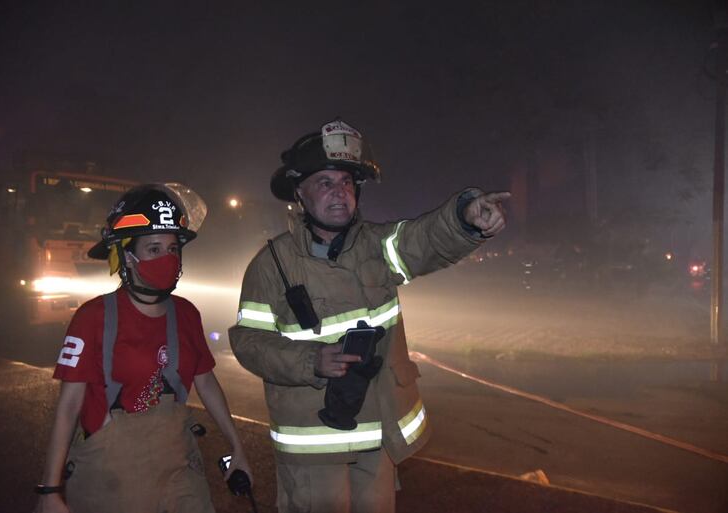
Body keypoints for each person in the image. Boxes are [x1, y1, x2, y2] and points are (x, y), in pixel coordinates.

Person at [229, 119, 509, 512]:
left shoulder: (378, 246)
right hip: (315, 445)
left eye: (346, 182)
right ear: (299, 192)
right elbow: (249, 343)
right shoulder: (270, 265)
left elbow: (424, 239)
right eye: (325, 182)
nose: (339, 192)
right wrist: (312, 361)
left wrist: (464, 218)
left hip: (378, 437)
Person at [33, 183, 251, 513]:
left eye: (173, 248)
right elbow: (69, 405)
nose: (167, 258)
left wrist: (238, 447)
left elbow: (206, 382)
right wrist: (50, 490)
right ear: (126, 256)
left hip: (178, 463)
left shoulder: (186, 313)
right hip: (111, 474)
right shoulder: (92, 317)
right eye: (153, 249)